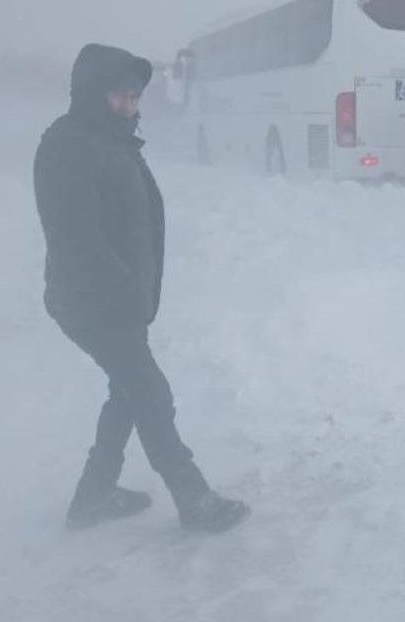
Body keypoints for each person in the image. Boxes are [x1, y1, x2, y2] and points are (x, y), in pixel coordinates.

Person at [33, 43, 249, 533]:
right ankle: (194, 499)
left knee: (129, 391)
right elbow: (77, 238)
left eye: (135, 98)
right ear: (91, 94)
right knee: (150, 393)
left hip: (115, 300)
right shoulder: (72, 147)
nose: (130, 107)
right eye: (119, 97)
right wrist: (126, 287)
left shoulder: (106, 140)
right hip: (94, 302)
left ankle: (95, 493)